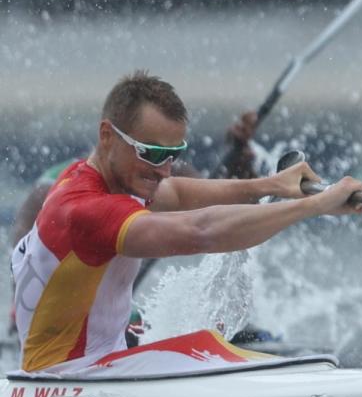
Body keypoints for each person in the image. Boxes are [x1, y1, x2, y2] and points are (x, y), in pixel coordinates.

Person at [9, 71, 362, 374]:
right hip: (72, 383)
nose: (163, 169)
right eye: (151, 153)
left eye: (173, 155)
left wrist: (272, 185)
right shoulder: (87, 209)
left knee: (220, 343)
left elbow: (177, 194)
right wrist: (317, 206)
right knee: (233, 355)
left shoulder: (108, 179)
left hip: (99, 370)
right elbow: (202, 232)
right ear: (107, 135)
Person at [5, 111, 259, 339]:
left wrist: (236, 155)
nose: (161, 169)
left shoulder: (158, 169)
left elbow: (221, 204)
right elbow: (24, 266)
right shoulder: (51, 192)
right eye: (146, 151)